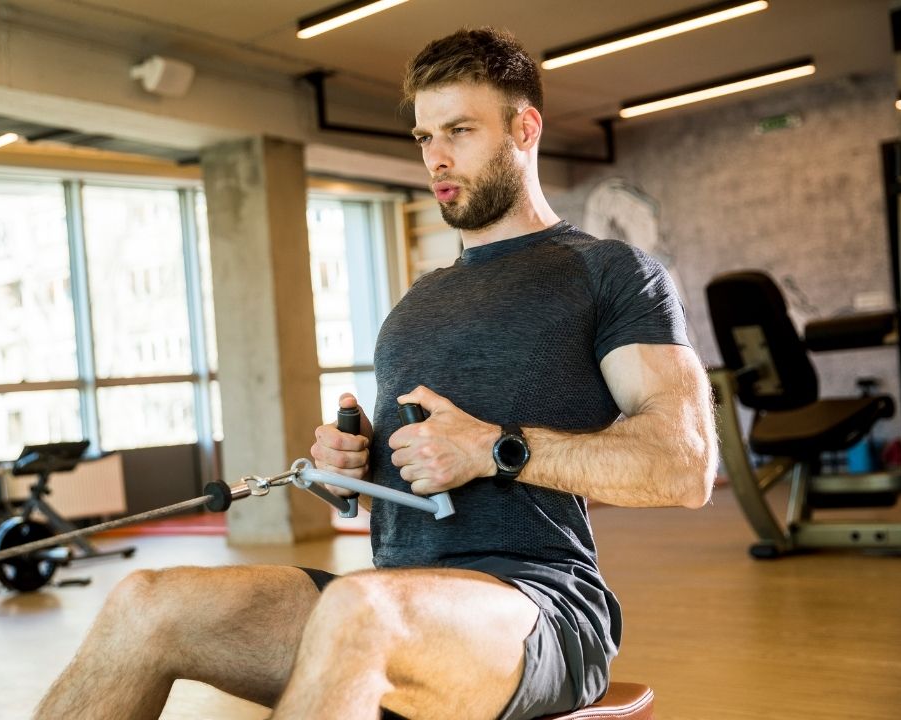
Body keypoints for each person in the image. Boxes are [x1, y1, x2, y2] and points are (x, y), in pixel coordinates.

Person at [35, 27, 716, 720]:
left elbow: (684, 465)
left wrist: (492, 448)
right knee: (145, 602)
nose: (437, 158)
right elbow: (411, 472)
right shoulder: (419, 300)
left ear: (524, 127)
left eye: (459, 130)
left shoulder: (608, 273)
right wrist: (352, 468)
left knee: (361, 610)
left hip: (540, 606)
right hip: (397, 593)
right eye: (424, 137)